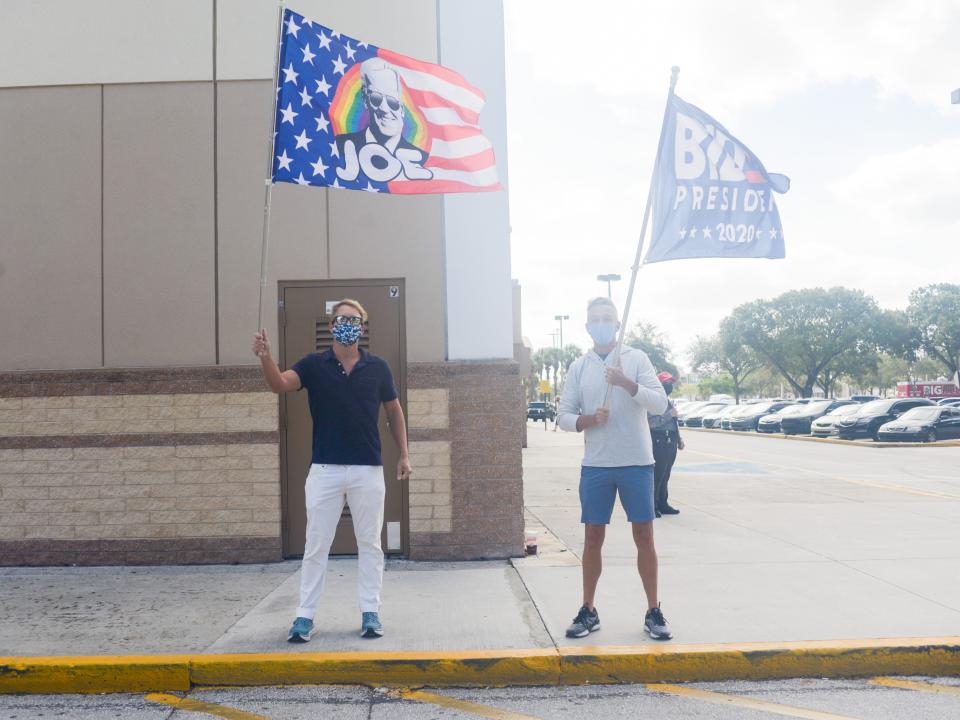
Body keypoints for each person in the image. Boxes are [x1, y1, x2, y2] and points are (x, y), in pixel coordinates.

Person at [252, 299, 412, 643]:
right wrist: (265, 357)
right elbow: (280, 384)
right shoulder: (313, 365)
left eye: (354, 320)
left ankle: (371, 612)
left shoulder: (378, 367)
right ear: (331, 323)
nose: (347, 324)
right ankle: (304, 616)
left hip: (367, 470)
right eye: (341, 319)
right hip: (325, 470)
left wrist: (404, 454)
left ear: (363, 326)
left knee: (370, 544)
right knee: (316, 545)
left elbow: (394, 411)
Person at [557, 297, 673, 641]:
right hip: (597, 464)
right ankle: (588, 610)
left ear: (618, 324)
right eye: (595, 319)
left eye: (607, 318)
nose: (601, 324)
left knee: (644, 537)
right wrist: (587, 420)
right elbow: (563, 415)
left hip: (637, 462)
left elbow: (659, 402)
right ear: (587, 326)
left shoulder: (636, 359)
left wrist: (626, 383)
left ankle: (653, 610)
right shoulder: (579, 366)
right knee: (593, 538)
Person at [334, 58, 432, 183]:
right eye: (376, 98)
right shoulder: (339, 145)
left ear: (401, 109)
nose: (385, 109)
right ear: (365, 100)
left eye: (392, 102)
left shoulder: (422, 160)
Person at [648, 371, 685, 518]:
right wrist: (670, 414)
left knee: (666, 474)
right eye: (666, 383)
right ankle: (653, 505)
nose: (669, 386)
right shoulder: (652, 402)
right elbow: (651, 423)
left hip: (671, 440)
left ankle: (663, 503)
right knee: (658, 475)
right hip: (658, 440)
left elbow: (673, 422)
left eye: (671, 383)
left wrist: (679, 438)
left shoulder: (667, 401)